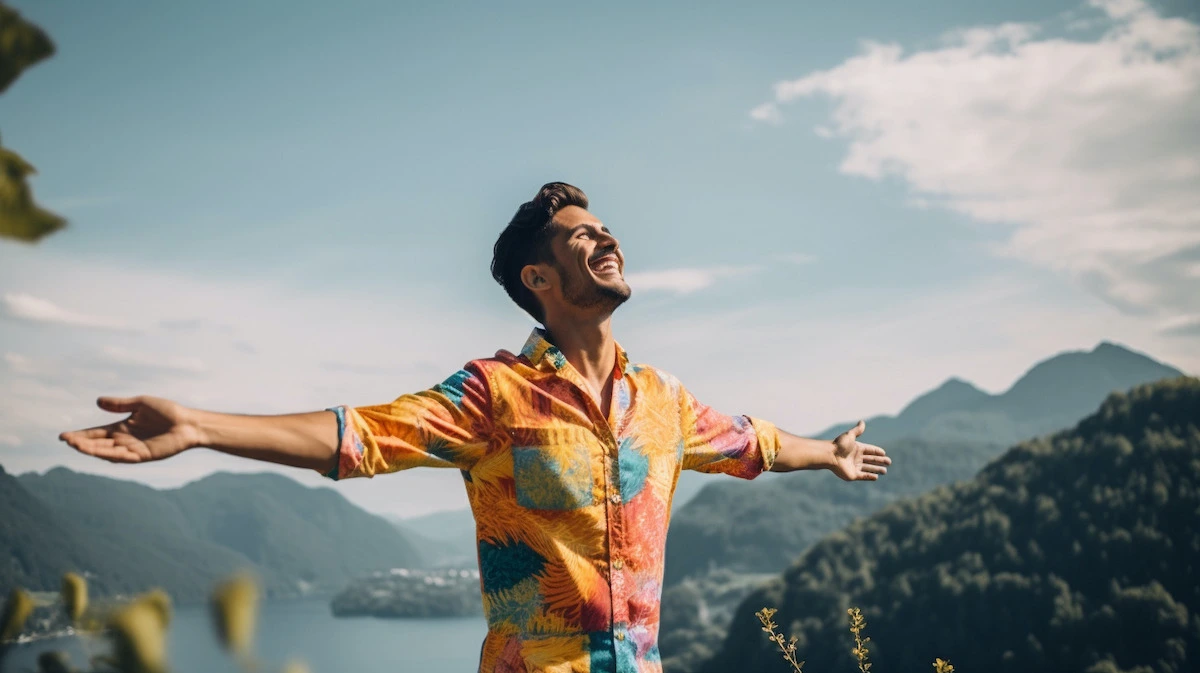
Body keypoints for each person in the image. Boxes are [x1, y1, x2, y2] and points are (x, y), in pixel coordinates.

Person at [60, 182, 892, 673]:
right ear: (542, 277)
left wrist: (832, 454)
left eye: (604, 226)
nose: (606, 235)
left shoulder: (663, 401)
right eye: (580, 234)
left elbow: (755, 442)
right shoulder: (495, 393)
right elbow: (361, 436)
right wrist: (200, 425)